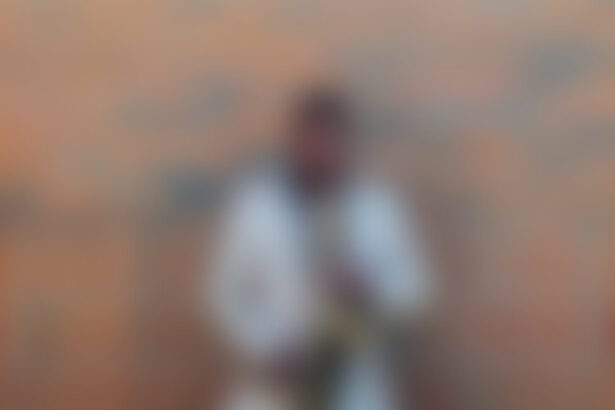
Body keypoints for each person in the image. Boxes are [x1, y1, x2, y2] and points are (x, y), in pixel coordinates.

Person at [206, 87, 433, 410]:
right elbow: (222, 294)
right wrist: (266, 349)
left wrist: (370, 289)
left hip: (354, 382)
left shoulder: (377, 208)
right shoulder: (257, 209)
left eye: (332, 141)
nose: (322, 151)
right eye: (313, 140)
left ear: (348, 144)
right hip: (277, 381)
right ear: (295, 141)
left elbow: (415, 287)